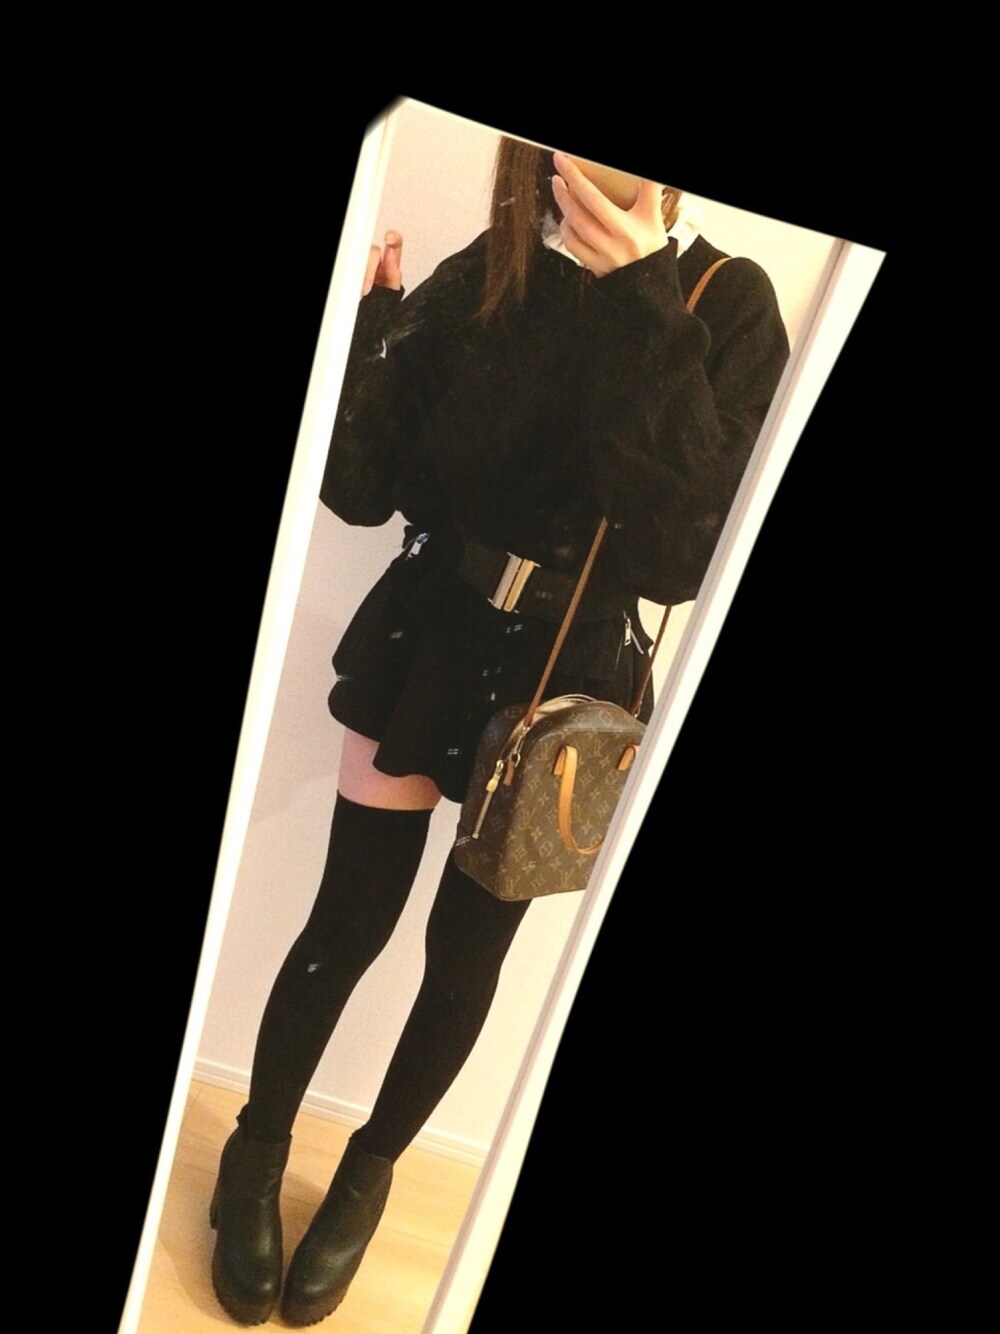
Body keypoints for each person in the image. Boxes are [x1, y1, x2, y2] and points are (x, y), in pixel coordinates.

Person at [209, 138, 790, 1327]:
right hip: (426, 632)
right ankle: (256, 1149)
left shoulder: (723, 303)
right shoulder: (495, 267)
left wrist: (641, 299)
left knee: (465, 957)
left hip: (564, 681)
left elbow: (680, 556)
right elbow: (359, 486)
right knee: (346, 919)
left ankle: (367, 1175)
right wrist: (369, 323)